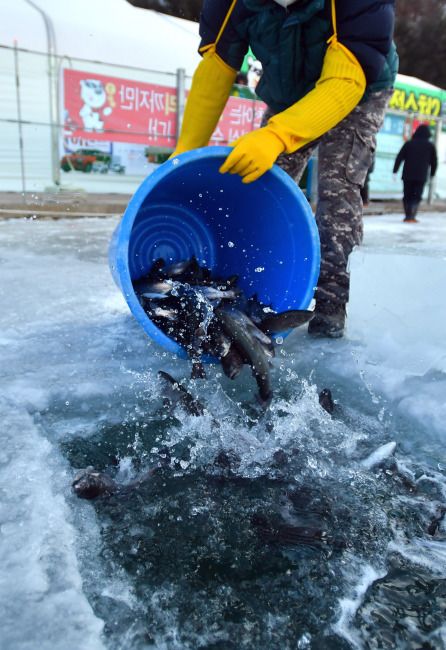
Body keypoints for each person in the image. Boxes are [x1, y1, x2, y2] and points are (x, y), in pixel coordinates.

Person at [172, 0, 398, 338]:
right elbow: (218, 64)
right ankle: (247, 289)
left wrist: (278, 134)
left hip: (360, 88)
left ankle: (331, 306)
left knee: (337, 191)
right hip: (289, 92)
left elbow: (345, 79)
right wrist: (184, 151)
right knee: (259, 187)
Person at [393, 124, 438, 223]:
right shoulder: (430, 146)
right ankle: (411, 216)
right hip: (421, 176)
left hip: (407, 175)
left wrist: (395, 170)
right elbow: (434, 161)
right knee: (416, 195)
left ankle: (407, 216)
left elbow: (399, 157)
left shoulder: (409, 144)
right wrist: (432, 174)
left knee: (407, 194)